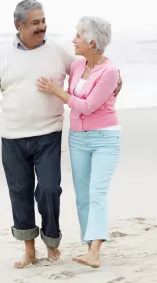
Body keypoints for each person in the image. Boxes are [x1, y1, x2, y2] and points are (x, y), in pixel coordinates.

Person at [36, 16, 121, 268]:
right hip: (78, 139)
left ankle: (95, 251)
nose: (73, 39)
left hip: (106, 138)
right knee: (83, 196)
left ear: (91, 42)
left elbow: (87, 106)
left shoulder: (110, 71)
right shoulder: (77, 65)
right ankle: (89, 247)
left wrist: (57, 92)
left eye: (78, 35)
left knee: (97, 192)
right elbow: (52, 59)